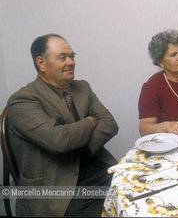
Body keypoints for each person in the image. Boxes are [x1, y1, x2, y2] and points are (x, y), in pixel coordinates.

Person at [7, 34, 119, 217]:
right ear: (41, 63)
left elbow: (110, 124)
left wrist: (81, 147)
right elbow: (59, 140)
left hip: (99, 171)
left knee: (143, 193)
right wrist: (90, 121)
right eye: (63, 57)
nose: (71, 62)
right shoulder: (22, 100)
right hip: (58, 191)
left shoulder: (82, 87)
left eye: (72, 56)